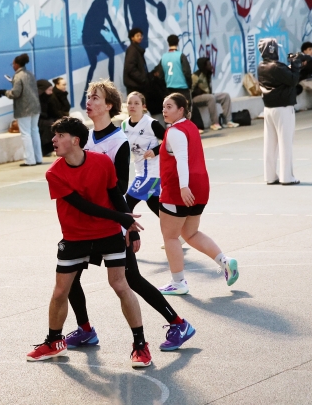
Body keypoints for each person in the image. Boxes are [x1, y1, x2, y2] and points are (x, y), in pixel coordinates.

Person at [66, 81, 194, 353]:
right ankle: (85, 330)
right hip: (87, 222)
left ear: (109, 105)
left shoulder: (118, 141)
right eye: (88, 97)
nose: (89, 101)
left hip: (110, 222)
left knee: (130, 280)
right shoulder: (86, 138)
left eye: (95, 97)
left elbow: (119, 187)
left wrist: (129, 226)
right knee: (69, 278)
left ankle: (178, 323)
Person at [28, 116, 151, 366]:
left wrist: (131, 227)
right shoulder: (54, 173)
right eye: (55, 135)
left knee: (120, 285)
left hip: (108, 234)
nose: (54, 140)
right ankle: (54, 342)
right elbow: (83, 206)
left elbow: (115, 195)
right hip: (75, 237)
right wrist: (122, 218)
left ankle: (140, 345)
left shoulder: (102, 162)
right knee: (60, 291)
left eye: (60, 135)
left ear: (75, 140)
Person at [157, 93, 239, 295]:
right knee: (190, 233)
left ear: (181, 110)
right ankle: (225, 261)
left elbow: (182, 160)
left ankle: (178, 282)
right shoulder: (192, 127)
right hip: (201, 186)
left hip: (179, 189)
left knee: (170, 237)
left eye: (169, 107)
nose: (164, 110)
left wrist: (183, 186)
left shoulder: (175, 131)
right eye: (164, 106)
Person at [257, 39, 300, 186]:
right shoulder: (277, 66)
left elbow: (283, 76)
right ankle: (287, 176)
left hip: (269, 108)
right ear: (272, 50)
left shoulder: (261, 66)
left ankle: (270, 176)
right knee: (285, 142)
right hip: (283, 108)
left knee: (270, 144)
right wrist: (295, 65)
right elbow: (293, 80)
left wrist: (291, 66)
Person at [123, 92, 163, 219]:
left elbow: (170, 141)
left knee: (126, 203)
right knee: (154, 204)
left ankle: (128, 231)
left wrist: (155, 151)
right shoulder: (124, 125)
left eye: (136, 103)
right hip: (140, 171)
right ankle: (178, 229)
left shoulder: (151, 123)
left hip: (152, 172)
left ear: (143, 106)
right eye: (129, 103)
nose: (132, 106)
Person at [81, 0, 122, 91]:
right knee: (109, 54)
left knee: (94, 63)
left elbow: (92, 19)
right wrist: (120, 43)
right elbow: (110, 25)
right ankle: (111, 87)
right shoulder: (101, 2)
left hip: (89, 36)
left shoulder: (100, 1)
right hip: (90, 37)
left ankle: (88, 91)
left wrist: (101, 26)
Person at [2, 53, 42, 167]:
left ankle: (29, 160)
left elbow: (16, 93)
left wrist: (5, 92)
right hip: (35, 107)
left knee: (25, 134)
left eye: (13, 64)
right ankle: (38, 158)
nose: (12, 66)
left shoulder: (18, 76)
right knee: (35, 131)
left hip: (24, 108)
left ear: (17, 64)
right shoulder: (30, 74)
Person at [190, 57, 239, 131]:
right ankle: (215, 123)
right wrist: (199, 91)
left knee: (225, 96)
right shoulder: (195, 76)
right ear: (204, 66)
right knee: (211, 97)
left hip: (207, 95)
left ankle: (228, 121)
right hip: (196, 98)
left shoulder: (208, 73)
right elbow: (191, 91)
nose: (211, 66)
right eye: (209, 64)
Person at [159, 35, 191, 106]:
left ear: (168, 43)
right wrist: (190, 85)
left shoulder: (164, 57)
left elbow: (160, 75)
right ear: (178, 42)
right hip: (182, 88)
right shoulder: (181, 55)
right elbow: (187, 72)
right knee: (184, 108)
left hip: (170, 88)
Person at [123, 28, 149, 97]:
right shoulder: (132, 50)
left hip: (137, 85)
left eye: (141, 35)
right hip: (135, 86)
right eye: (137, 36)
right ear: (132, 38)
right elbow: (130, 68)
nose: (140, 37)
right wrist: (143, 79)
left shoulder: (136, 49)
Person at [38, 80, 56, 156]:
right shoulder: (37, 100)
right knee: (49, 125)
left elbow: (54, 112)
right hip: (38, 120)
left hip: (47, 119)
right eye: (49, 90)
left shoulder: (50, 98)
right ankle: (47, 150)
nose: (51, 92)